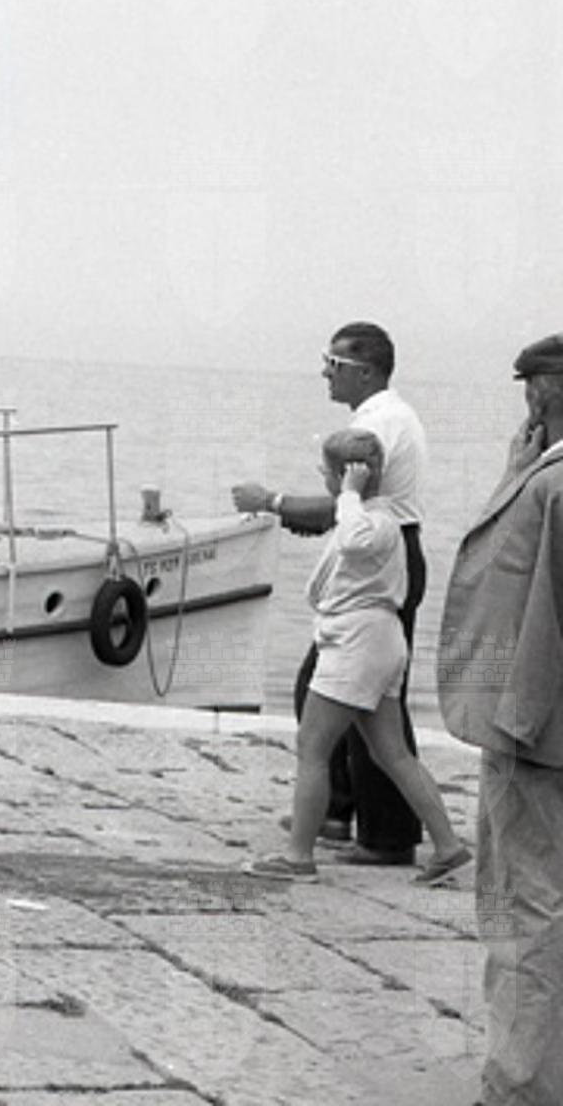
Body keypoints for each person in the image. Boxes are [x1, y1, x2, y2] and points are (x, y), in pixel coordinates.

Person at [232, 321, 429, 863]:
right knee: (345, 694)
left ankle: (386, 835)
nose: (325, 372)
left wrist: (271, 501)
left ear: (365, 371)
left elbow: (346, 506)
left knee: (356, 698)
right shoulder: (383, 418)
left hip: (379, 562)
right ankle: (338, 811)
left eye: (334, 364)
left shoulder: (381, 424)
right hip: (383, 553)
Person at [248, 430, 469, 883]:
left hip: (357, 645)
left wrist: (349, 494)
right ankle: (448, 846)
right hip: (376, 642)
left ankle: (298, 857)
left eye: (327, 472)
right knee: (391, 753)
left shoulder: (374, 522)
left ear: (346, 475)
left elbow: (351, 540)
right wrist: (350, 497)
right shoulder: (375, 518)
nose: (324, 479)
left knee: (312, 747)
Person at [437, 333, 563, 1106]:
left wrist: (520, 718)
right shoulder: (543, 474)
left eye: (529, 387)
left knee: (523, 909)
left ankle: (519, 1085)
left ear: (545, 391)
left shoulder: (557, 484)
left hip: (536, 730)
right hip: (538, 722)